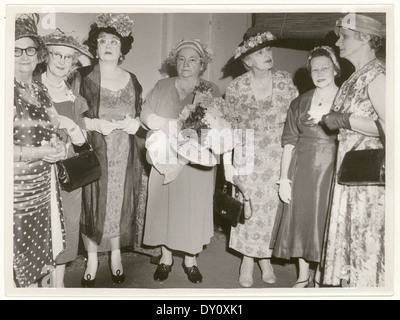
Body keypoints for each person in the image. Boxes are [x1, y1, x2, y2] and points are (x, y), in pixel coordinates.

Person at [72, 13, 146, 287]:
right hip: (94, 150)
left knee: (118, 202)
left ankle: (116, 255)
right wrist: (93, 123)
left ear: (122, 48)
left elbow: (140, 117)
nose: (107, 46)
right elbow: (73, 115)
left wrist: (134, 124)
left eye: (114, 41)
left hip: (124, 153)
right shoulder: (82, 77)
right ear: (95, 46)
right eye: (102, 41)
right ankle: (92, 259)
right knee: (91, 204)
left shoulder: (133, 79)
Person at [140, 38, 221, 284]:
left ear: (202, 64)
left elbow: (217, 124)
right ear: (174, 63)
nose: (186, 64)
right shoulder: (162, 85)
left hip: (195, 160)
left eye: (192, 59)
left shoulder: (210, 89)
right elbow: (145, 113)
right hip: (164, 156)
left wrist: (195, 138)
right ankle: (165, 257)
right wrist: (162, 124)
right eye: (181, 59)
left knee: (193, 209)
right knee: (165, 207)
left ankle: (190, 258)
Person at [223, 27, 298, 287]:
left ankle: (264, 258)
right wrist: (228, 164)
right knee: (248, 206)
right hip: (247, 154)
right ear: (248, 60)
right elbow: (228, 127)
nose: (268, 54)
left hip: (278, 154)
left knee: (272, 208)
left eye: (268, 50)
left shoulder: (284, 80)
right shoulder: (236, 87)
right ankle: (246, 259)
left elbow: (295, 117)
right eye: (261, 52)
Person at [321, 13, 386, 287]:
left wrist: (346, 120)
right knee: (351, 242)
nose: (338, 42)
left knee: (365, 244)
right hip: (348, 173)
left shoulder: (379, 77)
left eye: (344, 36)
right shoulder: (353, 78)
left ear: (365, 39)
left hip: (368, 180)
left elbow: (390, 127)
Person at [269, 46, 340, 288]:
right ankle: (302, 274)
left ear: (335, 69)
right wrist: (284, 179)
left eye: (325, 68)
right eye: (315, 69)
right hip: (301, 168)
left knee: (324, 222)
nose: (320, 73)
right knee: (300, 220)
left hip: (332, 169)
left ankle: (321, 274)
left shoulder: (345, 99)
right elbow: (289, 142)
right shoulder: (299, 102)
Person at [13, 14, 67, 287]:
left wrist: (58, 144)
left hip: (44, 185)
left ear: (38, 54)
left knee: (39, 254)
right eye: (16, 50)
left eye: (30, 49)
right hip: (14, 193)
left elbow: (56, 126)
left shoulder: (40, 89)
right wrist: (39, 153)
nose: (25, 56)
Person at [37, 29, 93, 288]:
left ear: (73, 64)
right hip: (36, 170)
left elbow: (83, 143)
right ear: (46, 56)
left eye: (68, 57)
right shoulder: (29, 89)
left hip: (67, 174)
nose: (61, 61)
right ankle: (37, 283)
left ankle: (58, 284)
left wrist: (70, 126)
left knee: (68, 224)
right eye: (56, 54)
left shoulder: (76, 99)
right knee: (40, 225)